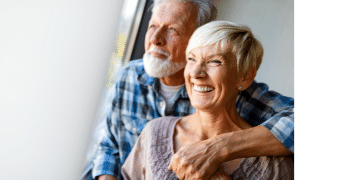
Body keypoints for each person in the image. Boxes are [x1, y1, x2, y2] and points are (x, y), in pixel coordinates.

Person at [83, 0, 294, 179]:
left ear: (200, 37)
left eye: (173, 29)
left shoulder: (240, 94)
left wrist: (217, 148)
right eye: (152, 26)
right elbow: (108, 147)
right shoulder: (129, 76)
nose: (156, 39)